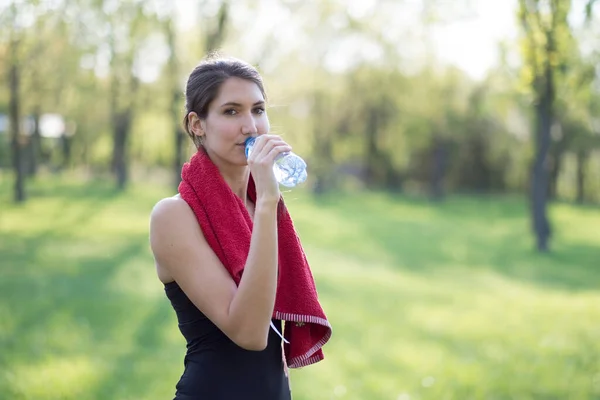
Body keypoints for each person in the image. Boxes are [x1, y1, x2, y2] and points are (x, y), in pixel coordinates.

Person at [149, 56, 331, 400]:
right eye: (232, 111)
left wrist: (263, 204)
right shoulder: (173, 216)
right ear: (197, 124)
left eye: (258, 110)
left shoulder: (259, 205)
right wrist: (266, 204)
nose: (251, 126)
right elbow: (249, 333)